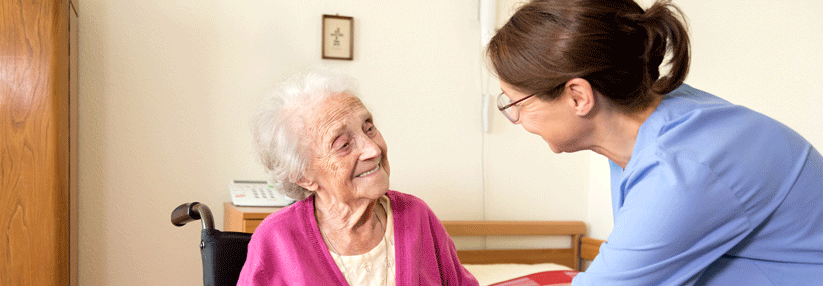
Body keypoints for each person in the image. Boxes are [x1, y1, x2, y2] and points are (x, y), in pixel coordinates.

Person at [486, 0, 823, 285]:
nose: (517, 120)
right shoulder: (658, 120)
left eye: (517, 104)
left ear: (578, 96)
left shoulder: (681, 168)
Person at [237, 68, 478, 286]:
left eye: (369, 128)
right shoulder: (276, 240)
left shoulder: (417, 216)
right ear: (303, 176)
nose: (373, 149)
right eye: (343, 144)